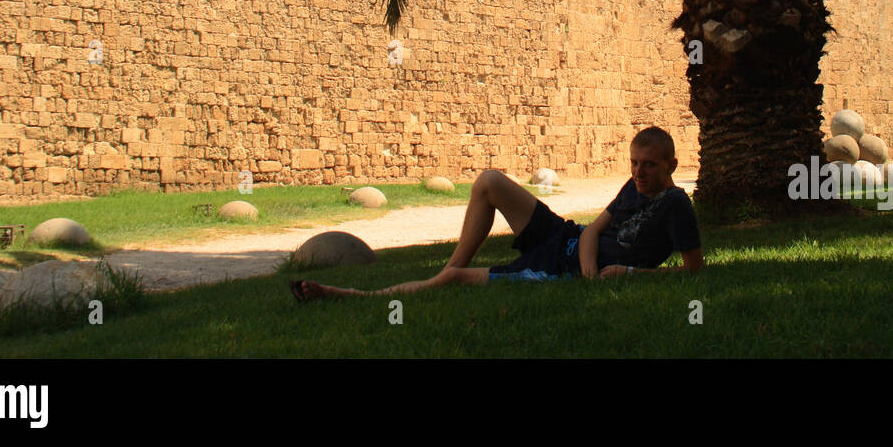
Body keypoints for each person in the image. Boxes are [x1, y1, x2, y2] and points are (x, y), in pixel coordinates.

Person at [289, 125, 704, 301]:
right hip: (568, 240)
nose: (638, 172)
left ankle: (349, 295)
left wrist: (630, 275)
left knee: (453, 281)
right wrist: (595, 273)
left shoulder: (675, 206)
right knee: (488, 181)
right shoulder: (633, 188)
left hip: (561, 269)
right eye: (634, 163)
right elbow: (595, 229)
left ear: (671, 164)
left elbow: (694, 271)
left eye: (648, 165)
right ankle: (446, 272)